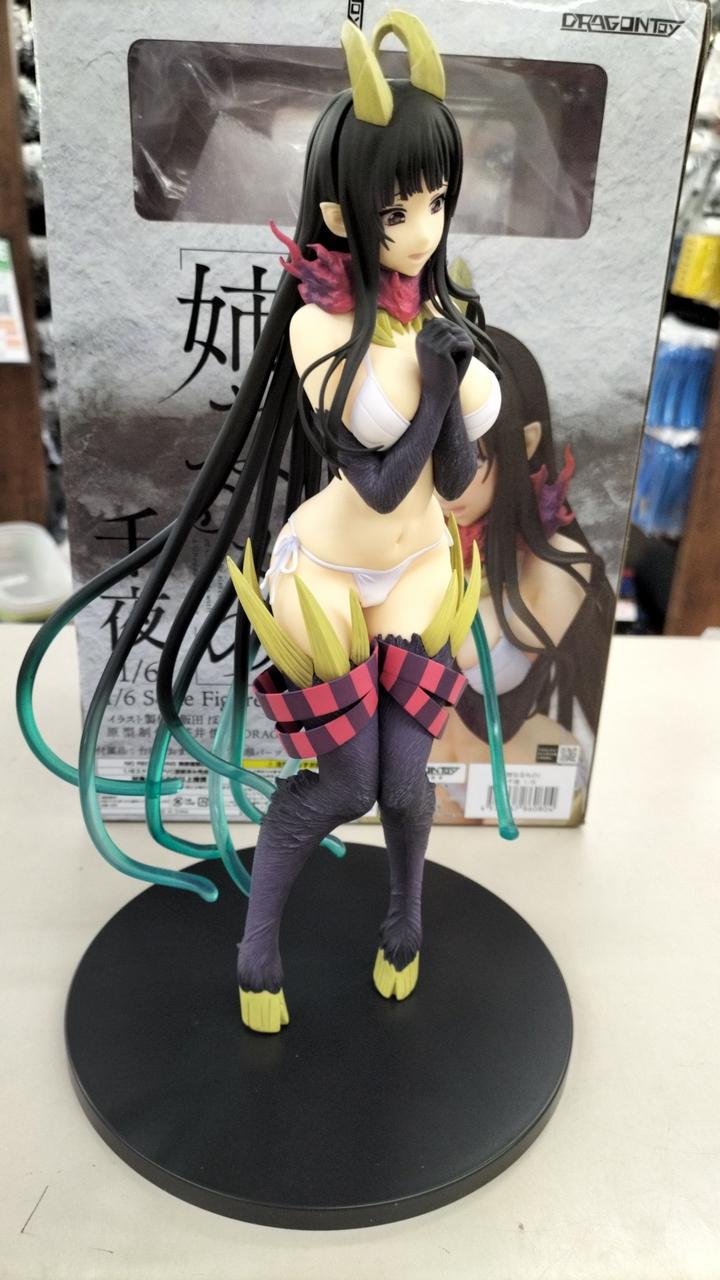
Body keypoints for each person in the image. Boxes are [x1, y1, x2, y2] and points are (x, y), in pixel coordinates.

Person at [17, 11, 511, 1034]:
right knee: (343, 784)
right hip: (325, 573)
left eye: (436, 201)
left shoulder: (438, 311)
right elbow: (381, 483)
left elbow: (455, 477)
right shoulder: (319, 324)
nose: (424, 228)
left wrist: (452, 382)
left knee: (406, 784)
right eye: (399, 209)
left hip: (422, 564)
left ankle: (406, 919)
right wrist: (435, 387)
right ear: (341, 208)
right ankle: (256, 948)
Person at [431, 328, 615, 818]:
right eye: (426, 455)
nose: (446, 485)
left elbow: (474, 658)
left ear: (526, 441)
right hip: (425, 776)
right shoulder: (423, 547)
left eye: (471, 458)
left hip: (517, 779)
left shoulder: (557, 566)